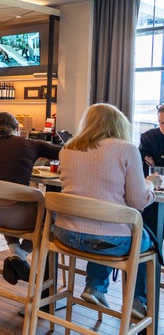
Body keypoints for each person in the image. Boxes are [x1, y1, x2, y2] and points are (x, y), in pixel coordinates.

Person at [55, 103, 158, 318]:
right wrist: (150, 184)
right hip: (106, 239)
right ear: (119, 124)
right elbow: (138, 201)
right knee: (144, 239)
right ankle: (137, 302)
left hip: (65, 235)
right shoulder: (126, 149)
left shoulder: (67, 149)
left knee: (101, 230)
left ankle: (95, 286)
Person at [0, 112, 61, 284]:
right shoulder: (30, 144)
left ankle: (15, 251)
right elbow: (65, 153)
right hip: (19, 218)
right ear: (17, 127)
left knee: (5, 197)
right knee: (52, 215)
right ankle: (21, 254)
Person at [139, 103, 164, 176]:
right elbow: (144, 170)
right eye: (162, 123)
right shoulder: (148, 137)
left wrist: (156, 168)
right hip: (155, 186)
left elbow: (152, 170)